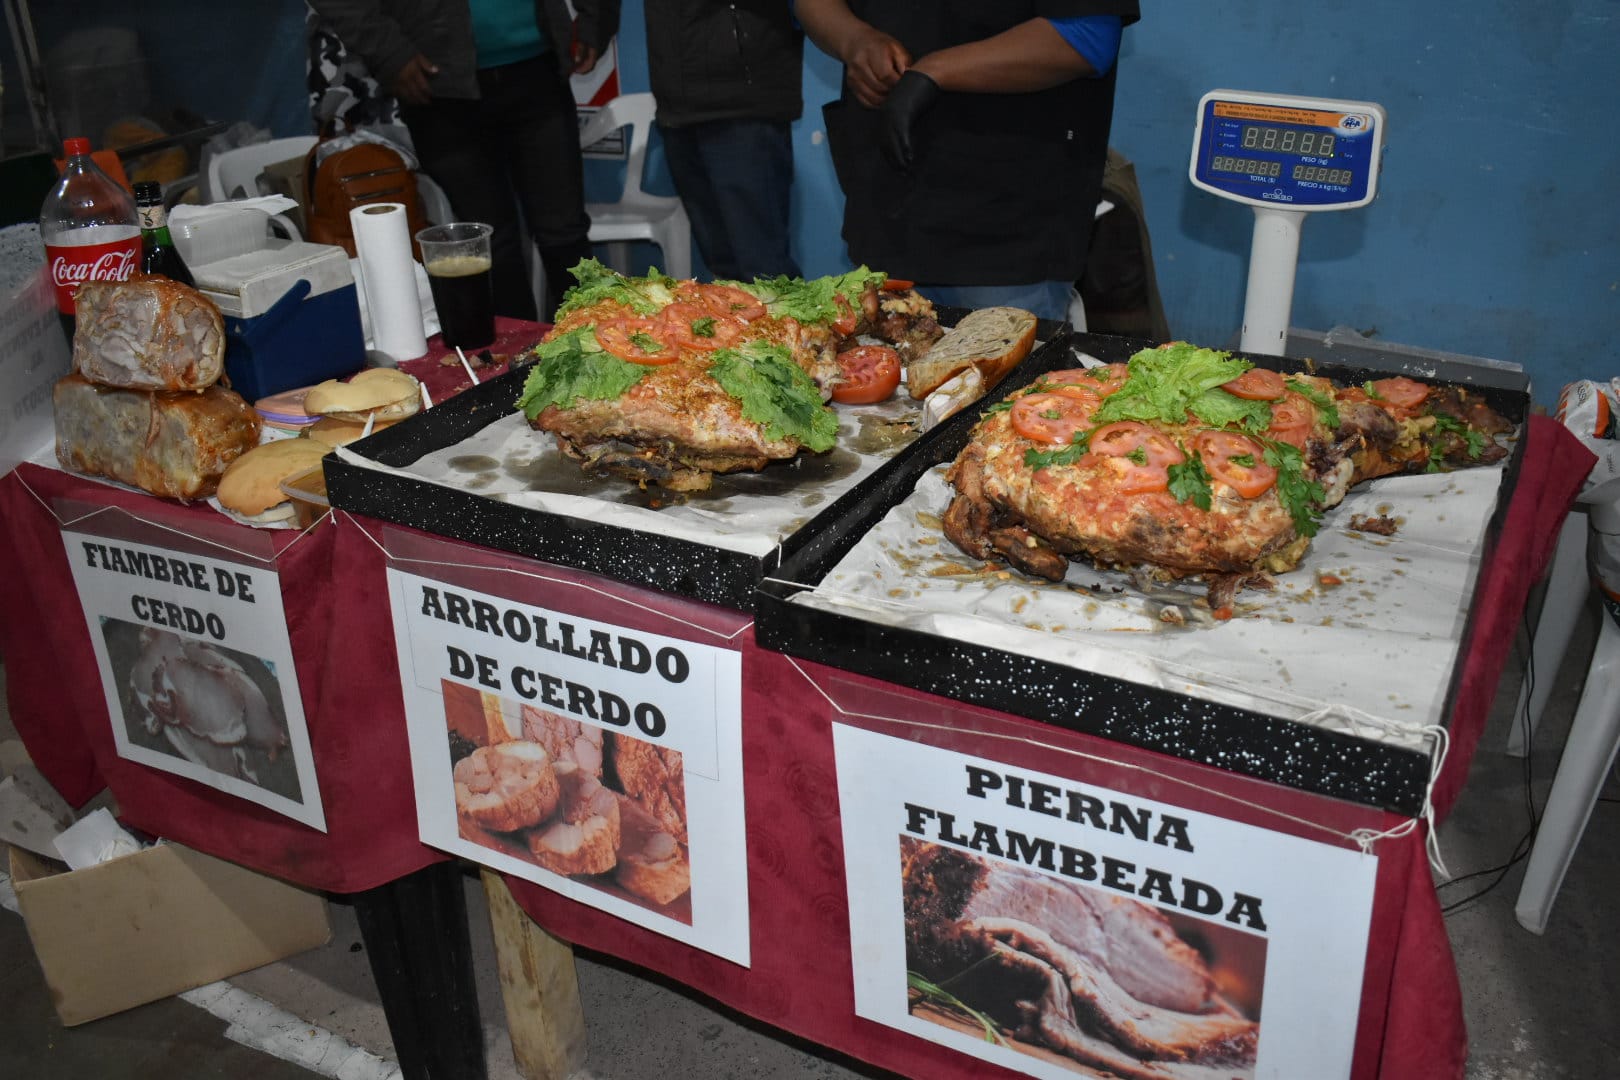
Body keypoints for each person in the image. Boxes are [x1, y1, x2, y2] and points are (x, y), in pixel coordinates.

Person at [795, 1, 1139, 323]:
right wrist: (855, 41)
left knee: (1006, 368)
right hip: (887, 210)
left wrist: (935, 71)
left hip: (1008, 233)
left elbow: (1088, 37)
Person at [307, 0, 620, 320]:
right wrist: (390, 52)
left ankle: (600, 342)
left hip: (539, 69)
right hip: (437, 87)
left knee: (565, 235)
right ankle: (519, 351)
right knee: (488, 244)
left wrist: (597, 17)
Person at [643, 2, 803, 282]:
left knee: (764, 269)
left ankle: (783, 312)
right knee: (722, 268)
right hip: (677, 102)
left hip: (744, 100)